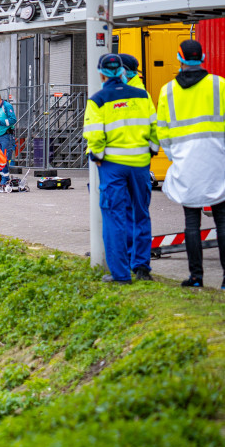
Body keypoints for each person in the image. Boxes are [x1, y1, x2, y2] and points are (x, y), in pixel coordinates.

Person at [84, 52, 159, 283]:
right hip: (140, 165)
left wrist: (97, 157)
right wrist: (151, 150)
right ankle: (142, 268)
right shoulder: (142, 96)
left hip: (113, 166)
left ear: (101, 73)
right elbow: (155, 128)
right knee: (141, 214)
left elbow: (94, 136)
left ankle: (120, 274)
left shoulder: (98, 100)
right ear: (123, 72)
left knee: (114, 217)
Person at [156, 39, 225, 288]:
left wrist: (175, 157)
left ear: (180, 58)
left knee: (191, 223)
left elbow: (162, 131)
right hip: (218, 161)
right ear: (203, 57)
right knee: (223, 221)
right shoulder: (220, 85)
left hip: (186, 163)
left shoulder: (168, 91)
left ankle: (196, 277)